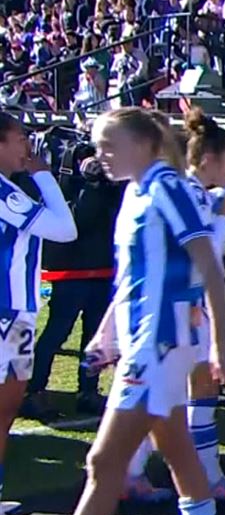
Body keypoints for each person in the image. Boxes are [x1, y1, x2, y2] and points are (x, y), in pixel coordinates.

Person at [0, 108, 225, 515]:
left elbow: (209, 269)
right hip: (145, 345)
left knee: (103, 463)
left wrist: (223, 344)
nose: (99, 156)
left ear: (144, 144)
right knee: (175, 447)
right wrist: (110, 334)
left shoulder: (168, 188)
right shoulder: (136, 192)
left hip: (160, 346)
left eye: (108, 145)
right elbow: (134, 277)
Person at [124, 109, 225, 504]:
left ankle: (137, 472)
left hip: (187, 309)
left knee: (177, 395)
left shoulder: (200, 196)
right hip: (184, 310)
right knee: (174, 394)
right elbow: (201, 262)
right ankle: (194, 476)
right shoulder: (187, 196)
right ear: (207, 160)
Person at [0, 112, 79, 515]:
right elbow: (64, 229)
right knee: (2, 410)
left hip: (13, 311)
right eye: (19, 139)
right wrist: (46, 177)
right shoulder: (4, 192)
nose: (26, 148)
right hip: (6, 312)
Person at [25, 143, 122, 420]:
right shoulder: (68, 186)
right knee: (57, 333)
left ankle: (88, 390)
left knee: (94, 335)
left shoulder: (112, 187)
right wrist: (90, 183)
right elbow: (78, 222)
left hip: (103, 270)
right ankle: (34, 390)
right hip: (72, 273)